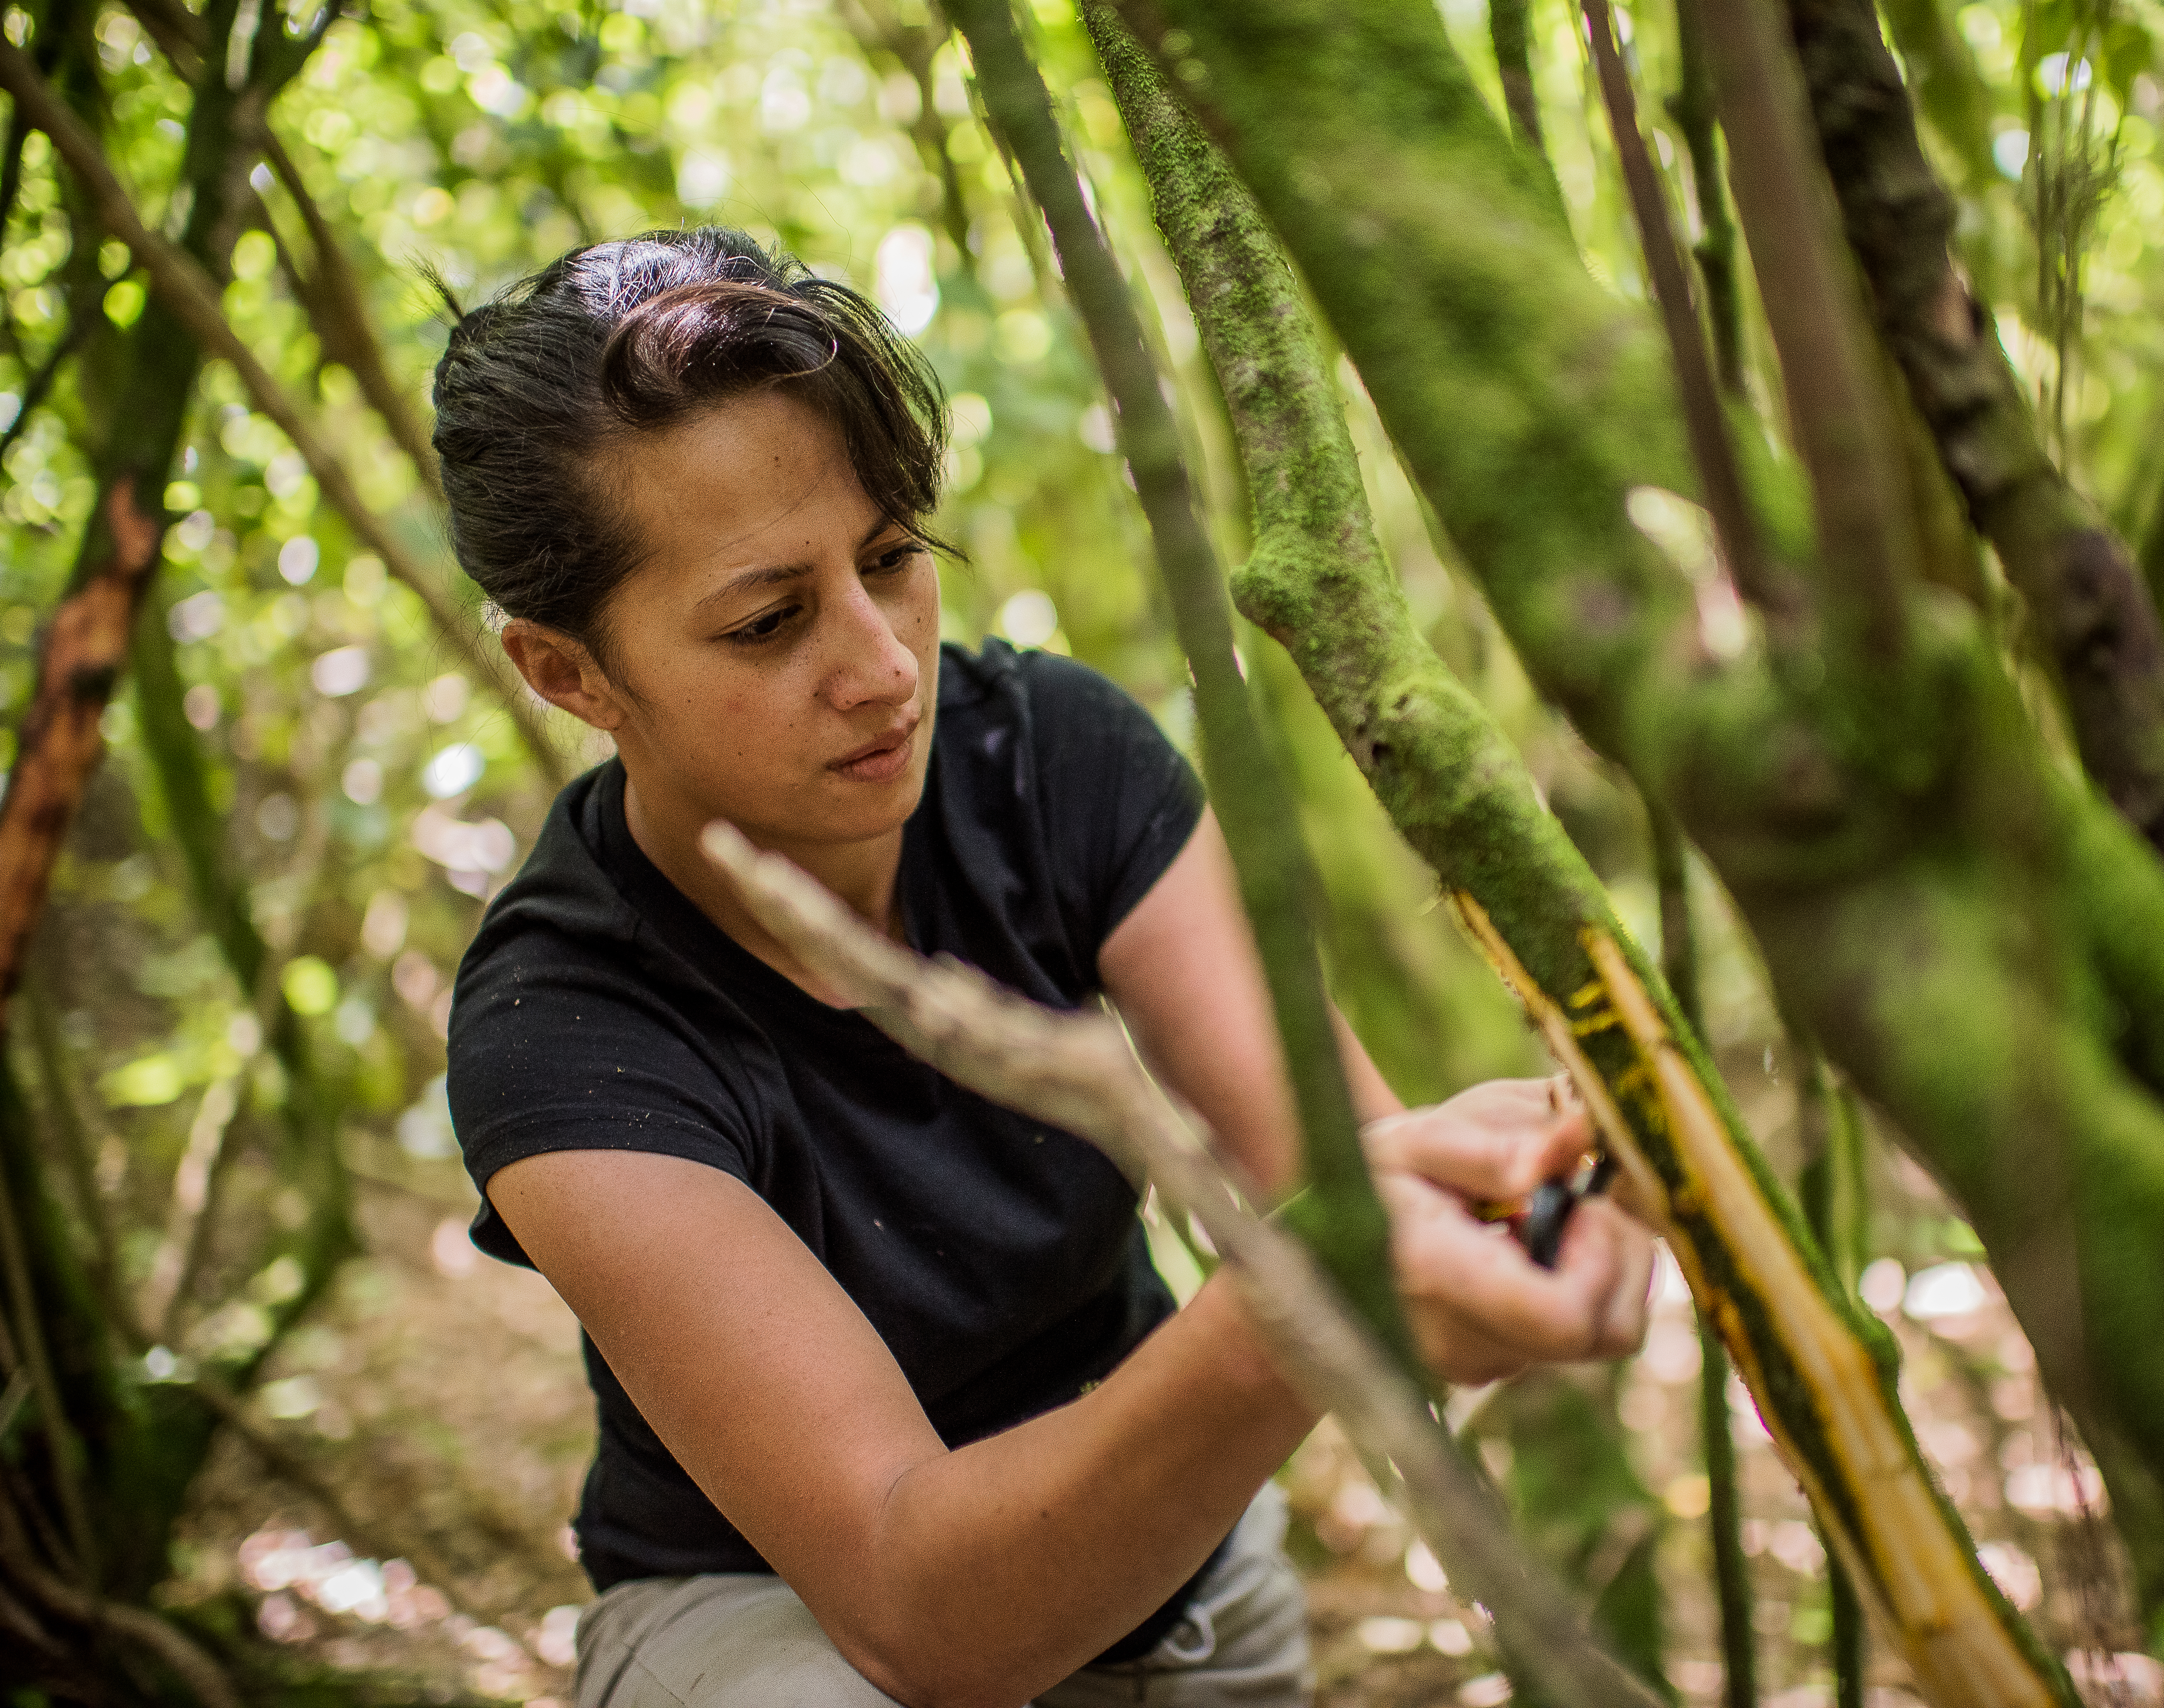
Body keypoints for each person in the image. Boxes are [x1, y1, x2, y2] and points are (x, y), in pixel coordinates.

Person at [433, 228, 1655, 1708]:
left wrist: (1557, 1177)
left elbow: (1351, 1182)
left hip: (1185, 1599)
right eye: (770, 620)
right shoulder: (560, 1031)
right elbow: (912, 1608)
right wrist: (1293, 1304)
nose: (883, 662)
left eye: (892, 558)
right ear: (567, 673)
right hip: (784, 1630)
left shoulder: (1052, 755)